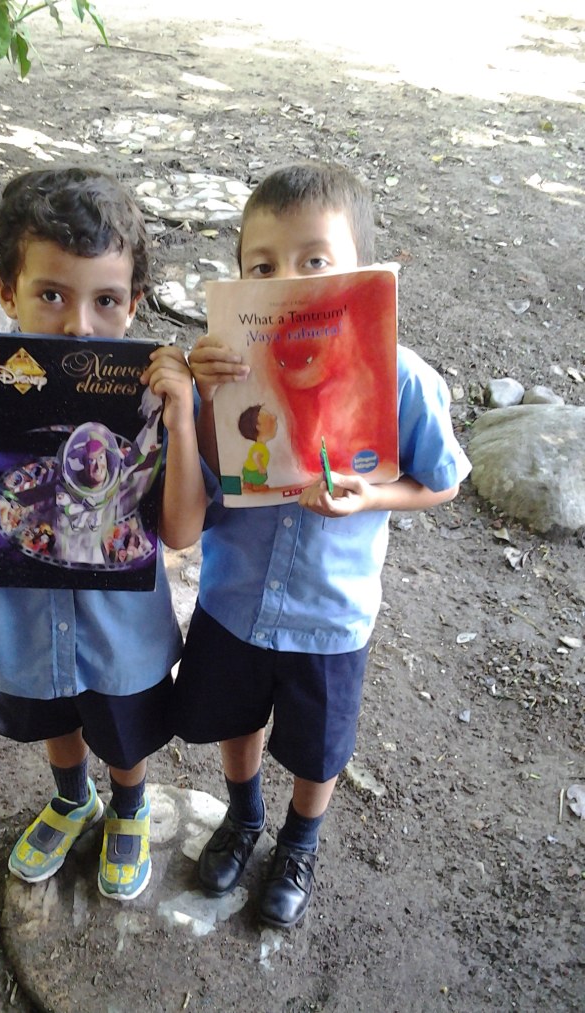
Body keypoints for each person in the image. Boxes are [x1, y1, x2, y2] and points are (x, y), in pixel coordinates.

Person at [172, 161, 471, 928]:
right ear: (239, 277)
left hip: (331, 615)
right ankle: (244, 816)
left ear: (362, 274)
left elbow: (443, 479)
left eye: (315, 260)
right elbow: (208, 473)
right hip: (234, 598)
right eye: (262, 266)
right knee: (235, 718)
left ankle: (300, 839)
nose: (288, 279)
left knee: (316, 746)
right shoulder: (231, 370)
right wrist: (201, 397)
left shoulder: (402, 379)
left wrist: (376, 495)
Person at [0, 167, 205, 901]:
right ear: (7, 291)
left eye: (106, 300)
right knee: (51, 718)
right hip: (23, 626)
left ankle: (127, 804)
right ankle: (74, 797)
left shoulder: (153, 399)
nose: (79, 326)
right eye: (52, 294)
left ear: (135, 303)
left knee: (122, 732)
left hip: (118, 632)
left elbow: (183, 530)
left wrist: (184, 420)